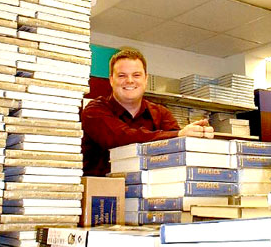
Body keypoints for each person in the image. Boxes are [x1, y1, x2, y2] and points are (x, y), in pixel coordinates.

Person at [81, 48, 214, 176]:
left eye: (136, 75)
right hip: (102, 195)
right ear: (111, 80)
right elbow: (121, 137)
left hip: (152, 196)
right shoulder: (95, 110)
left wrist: (196, 137)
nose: (130, 80)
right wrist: (178, 135)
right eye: (122, 75)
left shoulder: (161, 113)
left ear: (145, 79)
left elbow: (176, 151)